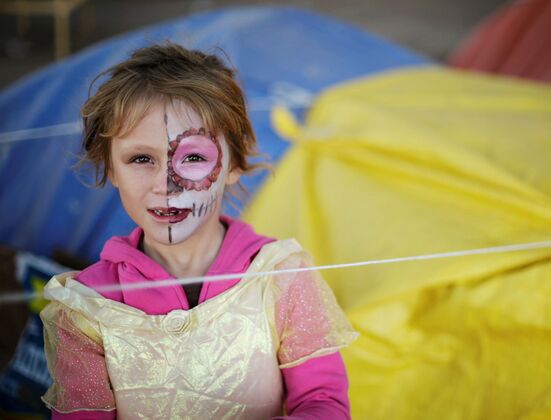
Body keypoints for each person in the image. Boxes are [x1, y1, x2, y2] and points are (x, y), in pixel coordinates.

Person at [40, 43, 358, 419]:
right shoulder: (86, 308)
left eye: (193, 157)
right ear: (111, 169)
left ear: (234, 163)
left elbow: (323, 403)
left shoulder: (280, 278)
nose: (167, 183)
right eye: (141, 159)